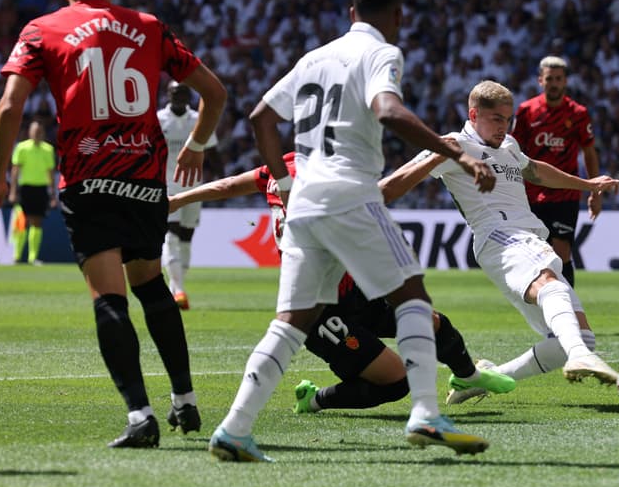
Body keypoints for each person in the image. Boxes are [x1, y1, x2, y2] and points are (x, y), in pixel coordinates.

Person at [207, 0, 497, 463]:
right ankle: (426, 414)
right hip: (349, 194)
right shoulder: (381, 52)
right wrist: (459, 155)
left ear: (351, 11)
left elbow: (260, 118)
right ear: (398, 15)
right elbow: (388, 111)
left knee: (292, 322)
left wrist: (283, 184)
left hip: (303, 204)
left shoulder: (313, 58)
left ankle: (235, 429)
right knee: (412, 296)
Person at [0, 0, 227, 448]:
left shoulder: (41, 30)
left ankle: (140, 416)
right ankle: (185, 399)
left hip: (88, 179)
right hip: (144, 178)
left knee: (109, 296)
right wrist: (197, 145)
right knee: (151, 284)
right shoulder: (150, 26)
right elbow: (215, 92)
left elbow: (9, 106)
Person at [167, 152, 515, 413]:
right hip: (319, 308)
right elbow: (384, 192)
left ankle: (467, 377)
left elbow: (229, 185)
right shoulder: (317, 179)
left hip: (357, 289)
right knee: (396, 382)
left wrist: (180, 199)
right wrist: (434, 157)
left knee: (431, 321)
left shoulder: (289, 167)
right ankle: (314, 400)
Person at [380, 80, 619, 404]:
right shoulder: (454, 144)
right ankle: (580, 357)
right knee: (551, 286)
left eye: (508, 119)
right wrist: (431, 160)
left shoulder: (508, 145)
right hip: (498, 234)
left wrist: (587, 184)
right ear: (473, 115)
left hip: (527, 237)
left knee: (579, 336)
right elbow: (390, 186)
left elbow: (535, 171)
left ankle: (482, 379)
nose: (503, 126)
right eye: (496, 119)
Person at [510, 55, 600, 286]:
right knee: (535, 255)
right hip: (532, 193)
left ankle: (568, 302)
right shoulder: (526, 111)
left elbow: (589, 153)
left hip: (565, 193)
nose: (554, 83)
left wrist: (595, 191)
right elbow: (512, 150)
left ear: (565, 81)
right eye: (549, 78)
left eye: (558, 79)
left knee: (561, 251)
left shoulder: (578, 114)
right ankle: (541, 299)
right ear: (540, 80)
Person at [157, 80, 220, 309]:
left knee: (186, 238)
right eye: (175, 92)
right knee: (171, 235)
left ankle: (176, 286)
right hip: (166, 186)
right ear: (168, 94)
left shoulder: (198, 119)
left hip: (194, 187)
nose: (179, 96)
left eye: (183, 92)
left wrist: (221, 179)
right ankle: (179, 289)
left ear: (189, 96)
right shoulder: (158, 120)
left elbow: (212, 151)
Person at [8, 119, 57, 264]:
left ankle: (32, 257)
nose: (37, 134)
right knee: (21, 222)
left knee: (37, 222)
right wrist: (13, 191)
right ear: (29, 132)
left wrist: (53, 194)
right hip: (25, 188)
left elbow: (50, 172)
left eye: (39, 131)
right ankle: (17, 256)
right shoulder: (22, 147)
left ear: (43, 133)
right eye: (35, 131)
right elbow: (15, 170)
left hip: (41, 188)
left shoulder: (48, 149)